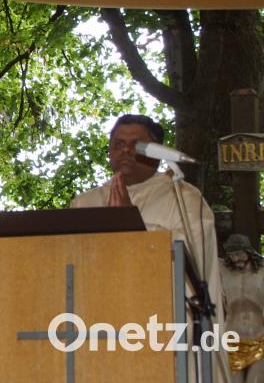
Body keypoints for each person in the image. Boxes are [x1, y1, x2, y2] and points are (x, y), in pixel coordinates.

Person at [71, 114, 228, 380]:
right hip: (95, 326)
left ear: (157, 152)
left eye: (136, 144)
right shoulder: (84, 204)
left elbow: (195, 264)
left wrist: (130, 226)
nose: (126, 151)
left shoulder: (184, 198)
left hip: (161, 331)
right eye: (118, 144)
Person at [221, 234, 264, 382]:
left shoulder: (262, 272)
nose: (236, 259)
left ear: (249, 252)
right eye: (232, 255)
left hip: (258, 339)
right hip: (232, 340)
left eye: (239, 254)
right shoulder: (224, 271)